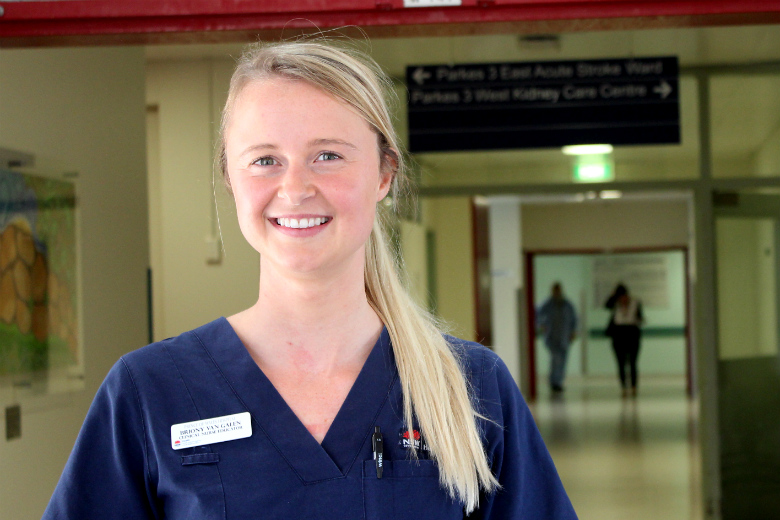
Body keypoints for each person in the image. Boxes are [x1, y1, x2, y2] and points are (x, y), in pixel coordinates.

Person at [42, 40, 577, 519]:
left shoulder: (469, 386)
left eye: (327, 156)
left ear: (384, 174)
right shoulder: (151, 391)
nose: (294, 188)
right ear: (230, 178)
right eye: (265, 160)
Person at [536, 282, 578, 393]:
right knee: (555, 360)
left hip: (564, 338)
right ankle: (554, 382)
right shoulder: (548, 304)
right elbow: (537, 315)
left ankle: (558, 381)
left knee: (563, 360)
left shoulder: (567, 305)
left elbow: (574, 319)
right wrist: (541, 325)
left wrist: (573, 332)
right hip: (552, 338)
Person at [605, 283, 644, 397]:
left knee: (633, 362)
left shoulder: (635, 303)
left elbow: (640, 317)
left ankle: (633, 387)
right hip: (618, 334)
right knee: (620, 363)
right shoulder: (615, 304)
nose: (622, 299)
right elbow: (606, 305)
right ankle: (623, 387)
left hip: (632, 333)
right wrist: (612, 295)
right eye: (620, 297)